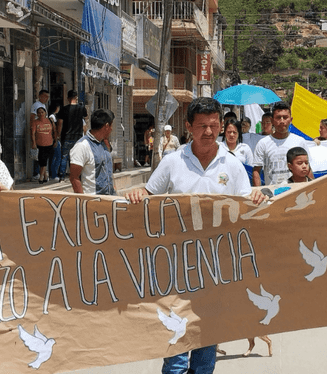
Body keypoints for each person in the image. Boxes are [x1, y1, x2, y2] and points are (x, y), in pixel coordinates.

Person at [126, 97, 265, 374]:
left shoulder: (233, 164)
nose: (209, 132)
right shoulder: (172, 161)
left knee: (206, 336)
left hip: (216, 266)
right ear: (189, 126)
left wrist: (257, 196)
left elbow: (245, 205)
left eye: (215, 126)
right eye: (202, 126)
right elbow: (150, 194)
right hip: (177, 266)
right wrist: (139, 193)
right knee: (177, 342)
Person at [253, 101, 312, 186]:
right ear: (272, 120)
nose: (282, 121)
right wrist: (257, 191)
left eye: (285, 117)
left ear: (290, 120)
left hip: (296, 193)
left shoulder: (300, 142)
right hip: (272, 195)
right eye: (278, 117)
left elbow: (308, 169)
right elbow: (256, 171)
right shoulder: (263, 144)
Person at [69, 109, 115, 195]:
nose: (112, 129)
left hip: (110, 200)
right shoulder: (82, 146)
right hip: (93, 202)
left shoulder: (104, 143)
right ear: (107, 126)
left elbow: (108, 171)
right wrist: (83, 201)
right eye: (111, 125)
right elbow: (74, 177)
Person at [57, 90, 88, 181]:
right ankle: (75, 176)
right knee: (76, 158)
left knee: (64, 157)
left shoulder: (63, 109)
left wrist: (58, 135)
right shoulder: (82, 108)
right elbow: (85, 121)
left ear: (68, 98)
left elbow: (60, 123)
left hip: (66, 137)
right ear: (76, 98)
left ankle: (62, 177)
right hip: (78, 137)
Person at [31, 106, 56, 184]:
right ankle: (44, 175)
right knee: (42, 160)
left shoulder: (50, 121)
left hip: (49, 143)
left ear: (45, 113)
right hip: (40, 144)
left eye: (42, 112)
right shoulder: (35, 122)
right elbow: (33, 133)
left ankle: (43, 176)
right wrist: (34, 143)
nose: (41, 114)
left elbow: (54, 131)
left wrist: (55, 141)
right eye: (39, 112)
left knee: (44, 160)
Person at [47, 103, 62, 181]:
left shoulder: (52, 116)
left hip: (54, 139)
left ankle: (53, 174)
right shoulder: (52, 117)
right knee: (56, 157)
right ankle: (53, 174)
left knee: (56, 157)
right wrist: (56, 139)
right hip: (54, 139)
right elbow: (54, 129)